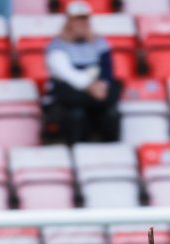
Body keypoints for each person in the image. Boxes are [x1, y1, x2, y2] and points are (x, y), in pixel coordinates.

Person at [44, 2, 122, 146]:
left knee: (111, 112)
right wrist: (90, 87)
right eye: (77, 20)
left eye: (84, 19)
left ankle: (112, 150)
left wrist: (102, 86)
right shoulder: (57, 45)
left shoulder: (100, 43)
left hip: (96, 95)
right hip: (73, 97)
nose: (81, 24)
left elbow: (107, 70)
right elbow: (66, 74)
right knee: (75, 112)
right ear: (68, 22)